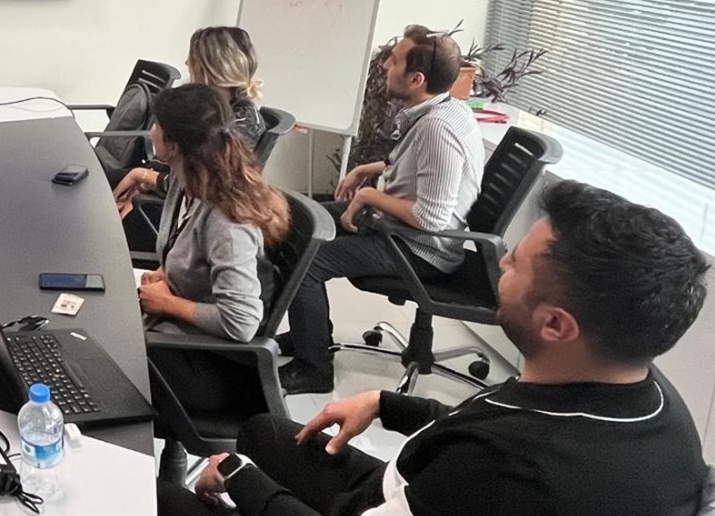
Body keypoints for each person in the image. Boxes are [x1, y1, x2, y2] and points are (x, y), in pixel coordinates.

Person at [158, 180, 710, 516]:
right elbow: (497, 434)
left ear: (556, 324)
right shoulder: (648, 401)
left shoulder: (511, 475)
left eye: (515, 263)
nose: (501, 265)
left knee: (169, 512)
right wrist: (389, 405)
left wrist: (239, 476)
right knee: (265, 431)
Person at [280, 25, 483, 394]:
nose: (386, 65)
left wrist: (369, 197)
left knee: (306, 261)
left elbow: (431, 218)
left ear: (416, 79)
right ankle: (309, 333)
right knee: (298, 222)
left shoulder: (438, 129)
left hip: (418, 247)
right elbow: (415, 168)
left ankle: (314, 369)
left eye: (394, 61)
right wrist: (366, 170)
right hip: (399, 228)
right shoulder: (445, 107)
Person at [127, 84, 286, 348]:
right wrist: (167, 274)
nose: (152, 131)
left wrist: (168, 303)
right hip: (169, 331)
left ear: (173, 146)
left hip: (198, 350)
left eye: (157, 125)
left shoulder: (227, 222)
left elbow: (242, 322)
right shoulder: (184, 180)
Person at [112, 26, 268, 237]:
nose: (187, 64)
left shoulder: (236, 125)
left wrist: (143, 178)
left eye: (192, 60)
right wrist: (141, 181)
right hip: (166, 193)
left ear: (209, 68)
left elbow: (200, 186)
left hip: (177, 211)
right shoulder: (207, 108)